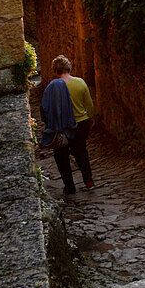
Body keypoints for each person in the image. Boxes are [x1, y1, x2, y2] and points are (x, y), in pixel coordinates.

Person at [40, 57, 78, 195]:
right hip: (71, 128)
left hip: (57, 130)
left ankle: (69, 185)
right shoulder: (73, 84)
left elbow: (44, 108)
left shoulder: (51, 87)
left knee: (61, 160)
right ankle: (86, 178)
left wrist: (49, 123)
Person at [61, 56, 96, 190]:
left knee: (63, 155)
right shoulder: (80, 82)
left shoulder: (57, 86)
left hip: (65, 125)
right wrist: (90, 118)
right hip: (82, 122)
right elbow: (89, 104)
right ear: (69, 68)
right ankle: (88, 180)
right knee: (82, 151)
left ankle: (69, 185)